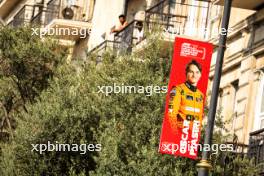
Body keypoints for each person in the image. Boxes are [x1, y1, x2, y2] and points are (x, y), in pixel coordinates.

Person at [168, 60, 204, 130]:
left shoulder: (200, 95)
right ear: (186, 73)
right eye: (191, 72)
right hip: (180, 133)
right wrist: (175, 133)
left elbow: (200, 117)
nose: (194, 75)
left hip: (193, 136)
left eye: (197, 72)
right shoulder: (178, 90)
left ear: (200, 75)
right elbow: (171, 114)